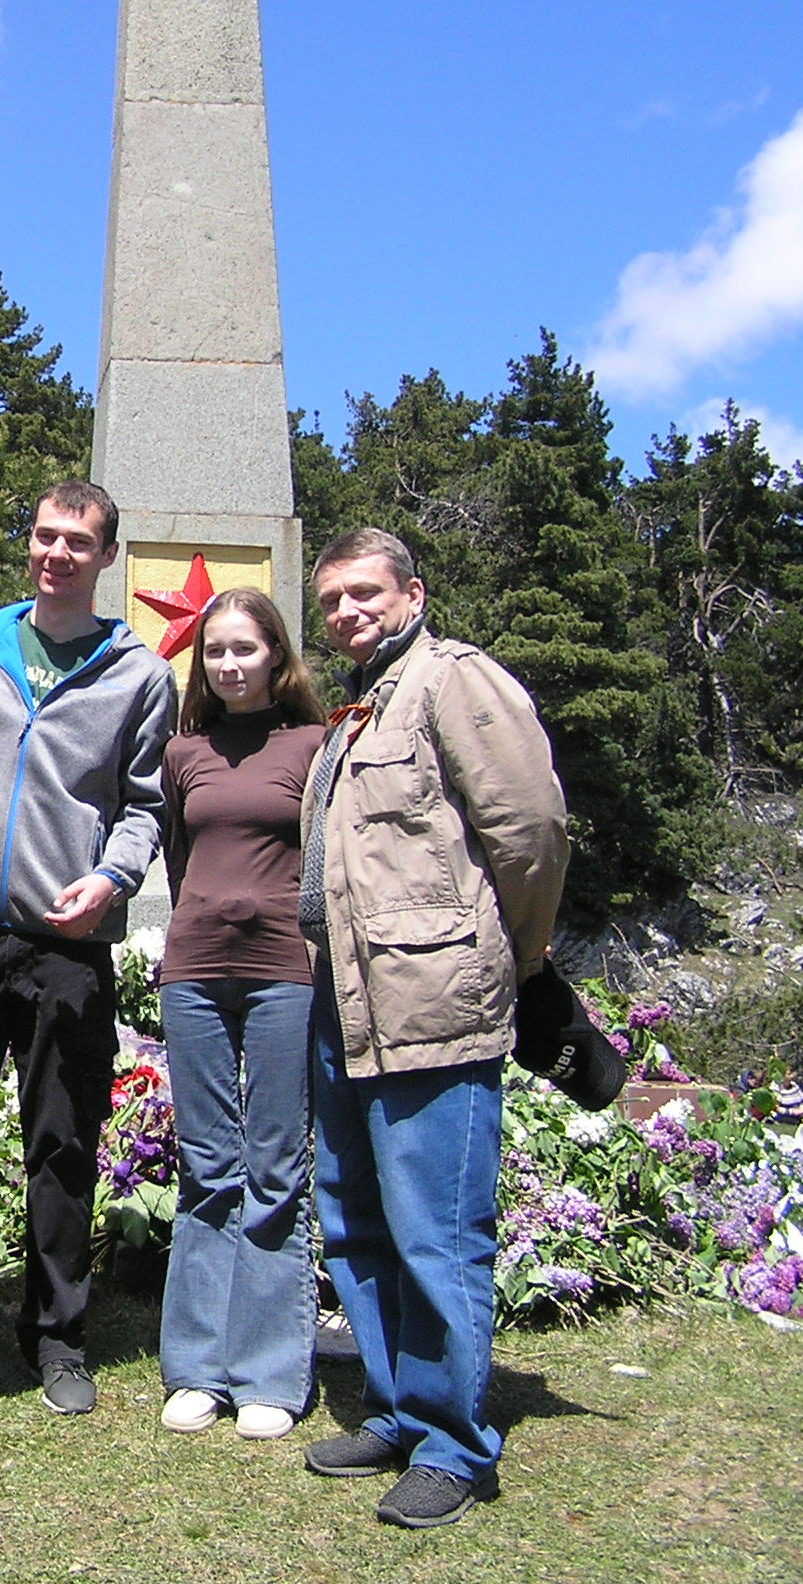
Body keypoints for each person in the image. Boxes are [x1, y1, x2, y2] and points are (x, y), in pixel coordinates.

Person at [299, 528, 568, 1530]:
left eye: (363, 591)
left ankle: (452, 1439)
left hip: (432, 1004)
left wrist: (515, 961)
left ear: (412, 589)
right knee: (355, 1220)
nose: (345, 611)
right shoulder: (360, 703)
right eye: (330, 598)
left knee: (436, 1228)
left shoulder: (453, 681)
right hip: (346, 1002)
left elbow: (529, 830)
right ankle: (397, 1405)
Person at [0, 480, 176, 1415]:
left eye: (78, 541)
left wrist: (112, 879)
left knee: (62, 1143)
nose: (56, 553)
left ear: (106, 558)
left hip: (69, 944)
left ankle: (57, 1337)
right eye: (44, 535)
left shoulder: (138, 673)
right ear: (29, 543)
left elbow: (146, 805)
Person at [155, 588, 328, 1442]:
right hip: (193, 973)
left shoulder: (314, 745)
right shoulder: (184, 751)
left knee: (274, 1169)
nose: (229, 664)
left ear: (275, 656)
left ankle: (267, 1372)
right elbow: (183, 858)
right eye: (216, 650)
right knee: (207, 1169)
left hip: (281, 975)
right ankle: (197, 1369)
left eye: (245, 649)